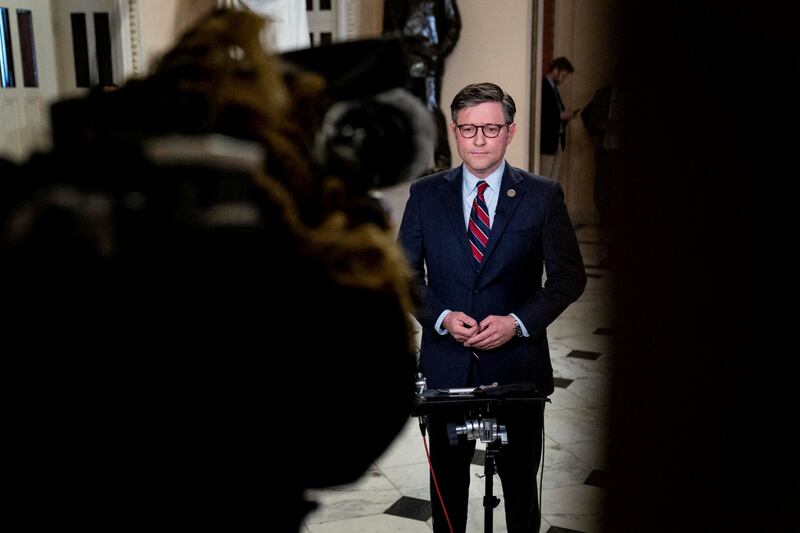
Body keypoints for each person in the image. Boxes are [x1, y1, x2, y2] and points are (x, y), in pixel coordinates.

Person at [397, 82, 586, 533]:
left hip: (518, 368)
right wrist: (440, 317)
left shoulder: (542, 195)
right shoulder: (426, 195)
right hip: (447, 369)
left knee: (521, 490)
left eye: (490, 128)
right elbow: (401, 274)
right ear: (454, 131)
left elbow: (568, 278)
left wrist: (518, 323)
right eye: (468, 129)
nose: (478, 139)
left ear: (510, 131)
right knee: (447, 493)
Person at [581, 68, 624, 231]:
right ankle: (605, 221)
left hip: (622, 152)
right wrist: (599, 127)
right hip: (605, 149)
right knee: (602, 187)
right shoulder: (604, 93)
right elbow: (587, 115)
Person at [540, 57, 576, 181]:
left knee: (552, 180)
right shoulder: (543, 86)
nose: (563, 79)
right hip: (548, 142)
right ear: (555, 70)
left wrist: (564, 116)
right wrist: (561, 115)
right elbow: (543, 114)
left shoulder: (554, 88)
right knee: (544, 178)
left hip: (557, 140)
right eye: (563, 75)